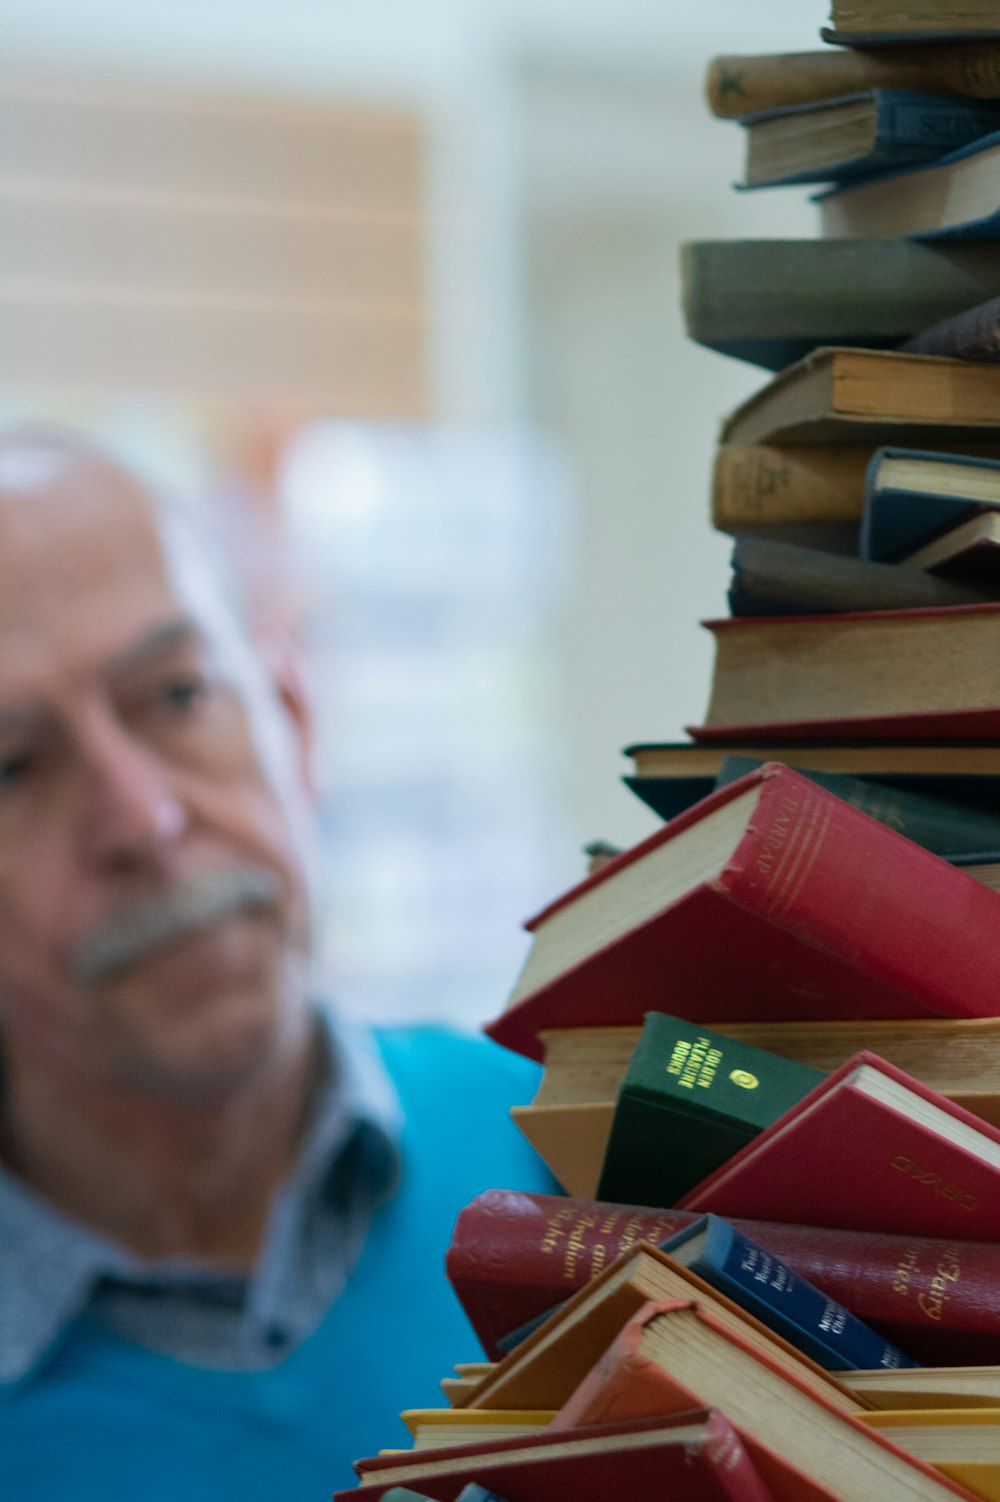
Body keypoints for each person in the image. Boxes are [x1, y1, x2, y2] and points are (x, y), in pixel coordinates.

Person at [0, 428, 550, 1499]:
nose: (145, 819)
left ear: (291, 720)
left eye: (176, 695)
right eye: (12, 765)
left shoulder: (592, 1167)